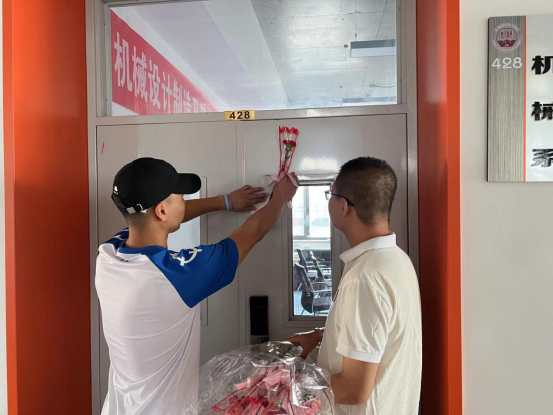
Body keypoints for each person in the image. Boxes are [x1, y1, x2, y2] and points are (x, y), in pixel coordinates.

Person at [96, 157, 298, 415]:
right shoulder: (177, 276)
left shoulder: (109, 255)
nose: (184, 201)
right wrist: (280, 197)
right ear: (161, 211)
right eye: (180, 196)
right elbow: (254, 229)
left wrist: (226, 201)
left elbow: (158, 217)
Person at [286, 157, 422, 415]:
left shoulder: (365, 277)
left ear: (343, 206)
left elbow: (354, 390)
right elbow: (378, 334)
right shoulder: (395, 260)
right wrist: (320, 335)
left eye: (330, 194)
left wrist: (284, 385)